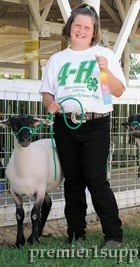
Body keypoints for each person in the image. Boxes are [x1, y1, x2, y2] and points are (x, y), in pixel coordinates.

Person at [39, 3, 126, 248]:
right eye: (77, 25)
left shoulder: (104, 55)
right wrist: (50, 103)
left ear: (94, 31)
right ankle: (76, 234)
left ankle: (113, 235)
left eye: (87, 27)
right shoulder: (56, 59)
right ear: (70, 28)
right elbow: (47, 93)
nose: (81, 30)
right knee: (74, 181)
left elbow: (118, 92)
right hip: (65, 123)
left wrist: (106, 72)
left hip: (96, 123)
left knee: (96, 179)